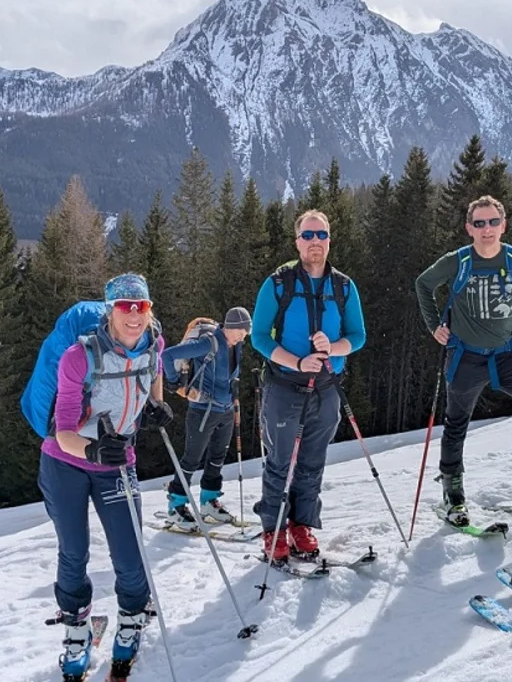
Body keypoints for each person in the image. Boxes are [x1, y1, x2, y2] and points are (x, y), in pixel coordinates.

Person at [37, 273, 175, 681]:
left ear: (149, 310)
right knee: (74, 551)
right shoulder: (79, 358)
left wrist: (155, 406)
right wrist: (93, 448)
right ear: (111, 310)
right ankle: (77, 629)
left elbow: (154, 376)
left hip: (118, 463)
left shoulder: (155, 345)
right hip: (66, 463)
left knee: (130, 555)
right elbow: (62, 431)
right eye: (125, 307)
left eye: (141, 307)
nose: (134, 316)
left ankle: (132, 617)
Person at [249, 209, 366, 561]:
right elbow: (258, 337)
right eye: (308, 235)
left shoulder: (343, 286)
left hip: (327, 387)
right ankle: (274, 530)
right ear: (297, 241)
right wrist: (297, 361)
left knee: (313, 460)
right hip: (285, 384)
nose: (316, 242)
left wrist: (334, 349)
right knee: (280, 461)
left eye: (322, 235)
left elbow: (357, 336)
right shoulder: (279, 283)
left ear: (330, 240)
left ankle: (302, 525)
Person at [414, 195, 512, 527]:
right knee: (456, 425)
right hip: (465, 357)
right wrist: (434, 325)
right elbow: (423, 284)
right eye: (479, 223)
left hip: (506, 355)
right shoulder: (458, 261)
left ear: (504, 225)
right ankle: (453, 495)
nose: (487, 229)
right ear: (469, 228)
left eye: (493, 222)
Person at [160, 307, 252, 528]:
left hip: (226, 409)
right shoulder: (209, 342)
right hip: (203, 409)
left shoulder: (236, 344)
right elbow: (168, 354)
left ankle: (209, 501)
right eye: (242, 331)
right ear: (231, 327)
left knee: (217, 457)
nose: (244, 337)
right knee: (192, 458)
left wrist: (234, 395)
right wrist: (173, 383)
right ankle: (176, 505)